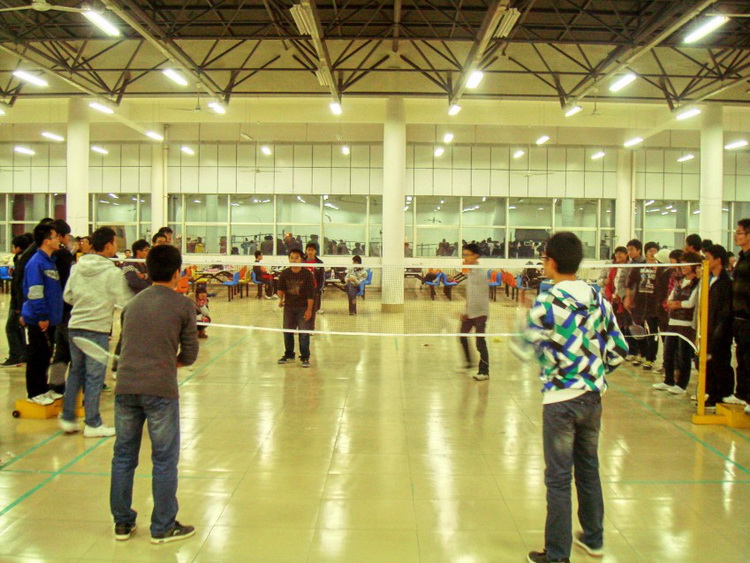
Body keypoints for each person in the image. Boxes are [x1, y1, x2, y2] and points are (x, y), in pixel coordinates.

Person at [517, 232, 627, 563]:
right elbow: (619, 350)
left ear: (551, 261)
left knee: (559, 480)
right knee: (588, 469)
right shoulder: (599, 299)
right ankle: (593, 539)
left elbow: (526, 346)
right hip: (592, 398)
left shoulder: (547, 302)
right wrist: (593, 371)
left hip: (560, 402)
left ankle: (556, 555)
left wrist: (553, 363)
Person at [109, 244, 199, 544]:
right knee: (164, 459)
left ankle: (122, 523)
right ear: (177, 272)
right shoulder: (183, 305)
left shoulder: (132, 304)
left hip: (126, 387)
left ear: (147, 271)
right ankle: (162, 526)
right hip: (160, 389)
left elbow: (124, 346)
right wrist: (171, 361)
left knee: (123, 457)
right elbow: (190, 353)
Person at [59, 227, 132, 437]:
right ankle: (92, 423)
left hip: (74, 327)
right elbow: (125, 301)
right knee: (94, 377)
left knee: (76, 372)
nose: (116, 246)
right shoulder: (112, 272)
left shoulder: (77, 267)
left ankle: (68, 418)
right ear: (108, 245)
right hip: (96, 329)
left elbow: (67, 296)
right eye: (115, 243)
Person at [20, 223, 64, 405]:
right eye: (55, 237)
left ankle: (43, 388)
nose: (58, 240)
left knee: (46, 356)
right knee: (37, 357)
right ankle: (34, 392)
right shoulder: (36, 263)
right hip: (38, 320)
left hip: (51, 319)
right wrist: (42, 316)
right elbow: (35, 292)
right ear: (46, 241)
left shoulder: (50, 262)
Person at [653, 252, 702, 395]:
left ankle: (681, 385)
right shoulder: (679, 281)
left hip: (686, 324)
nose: (683, 267)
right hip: (673, 321)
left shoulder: (698, 283)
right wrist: (675, 303)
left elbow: (690, 303)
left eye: (686, 264)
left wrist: (677, 304)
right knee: (668, 352)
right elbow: (670, 299)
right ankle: (668, 380)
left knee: (683, 355)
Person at [703, 245, 734, 409]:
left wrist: (719, 331)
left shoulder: (726, 283)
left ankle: (722, 395)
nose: (705, 261)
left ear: (718, 260)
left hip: (720, 329)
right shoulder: (708, 280)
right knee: (708, 363)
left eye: (708, 258)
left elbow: (725, 311)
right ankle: (711, 393)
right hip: (707, 327)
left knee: (720, 362)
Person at [113, 239, 151, 370]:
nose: (148, 252)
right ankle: (116, 366)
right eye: (146, 250)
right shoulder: (129, 264)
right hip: (129, 305)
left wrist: (144, 276)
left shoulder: (145, 264)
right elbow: (134, 281)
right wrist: (147, 282)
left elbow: (151, 278)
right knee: (126, 336)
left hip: (144, 304)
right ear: (138, 251)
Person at [47, 219, 75, 396]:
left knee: (62, 350)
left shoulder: (48, 256)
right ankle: (74, 390)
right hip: (66, 308)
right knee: (75, 350)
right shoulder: (62, 256)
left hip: (58, 309)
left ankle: (56, 385)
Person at [277, 248, 315, 368]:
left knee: (304, 333)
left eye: (297, 258)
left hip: (303, 307)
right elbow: (280, 289)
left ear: (302, 259)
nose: (294, 260)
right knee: (287, 332)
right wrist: (281, 299)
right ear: (289, 259)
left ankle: (305, 357)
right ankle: (289, 355)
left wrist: (309, 310)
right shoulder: (284, 273)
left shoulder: (307, 274)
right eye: (292, 258)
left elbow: (311, 294)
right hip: (289, 307)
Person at [458, 243, 490, 381]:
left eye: (467, 255)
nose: (464, 258)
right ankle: (469, 362)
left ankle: (484, 371)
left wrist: (472, 313)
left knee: (480, 342)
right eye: (464, 255)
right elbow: (471, 295)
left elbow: (480, 296)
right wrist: (466, 311)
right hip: (470, 312)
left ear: (475, 256)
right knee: (462, 335)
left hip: (480, 313)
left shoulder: (480, 274)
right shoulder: (470, 272)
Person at [728, 219, 750, 411]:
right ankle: (741, 394)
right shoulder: (741, 257)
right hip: (739, 316)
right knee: (741, 357)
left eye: (740, 232)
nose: (736, 236)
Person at [2, 234, 32, 367]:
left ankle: (15, 355)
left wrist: (18, 304)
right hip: (21, 300)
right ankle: (22, 353)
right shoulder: (26, 258)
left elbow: (18, 284)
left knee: (11, 327)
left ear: (18, 248)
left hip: (19, 300)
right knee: (18, 327)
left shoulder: (22, 259)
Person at [623, 239, 646, 364]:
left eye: (632, 249)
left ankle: (643, 354)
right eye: (628, 250)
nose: (629, 252)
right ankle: (633, 352)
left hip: (640, 300)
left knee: (640, 327)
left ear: (639, 250)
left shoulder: (644, 264)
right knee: (629, 326)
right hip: (629, 299)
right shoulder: (629, 264)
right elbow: (627, 283)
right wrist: (626, 297)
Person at [304, 242, 325, 316]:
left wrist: (320, 287)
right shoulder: (302, 262)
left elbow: (322, 276)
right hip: (304, 286)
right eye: (308, 250)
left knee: (315, 304)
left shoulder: (319, 263)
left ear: (315, 251)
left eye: (312, 250)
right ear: (306, 251)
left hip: (315, 286)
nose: (310, 252)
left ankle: (317, 309)